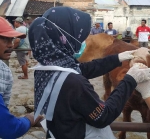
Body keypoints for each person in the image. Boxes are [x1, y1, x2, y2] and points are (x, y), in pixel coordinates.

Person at [29, 7, 150, 139]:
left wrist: (120, 57)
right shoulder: (74, 82)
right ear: (64, 39)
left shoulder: (46, 68)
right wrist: (130, 79)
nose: (82, 43)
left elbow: (84, 68)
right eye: (79, 39)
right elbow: (104, 116)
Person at [0, 17, 43, 139]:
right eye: (4, 39)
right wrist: (29, 119)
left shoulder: (4, 69)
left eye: (11, 39)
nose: (11, 45)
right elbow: (8, 128)